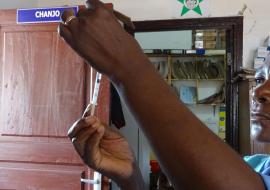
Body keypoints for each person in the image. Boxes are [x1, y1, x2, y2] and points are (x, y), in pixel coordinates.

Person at [58, 0, 267, 189]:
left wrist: (128, 67)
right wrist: (130, 177)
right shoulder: (254, 166)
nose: (259, 92)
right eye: (259, 79)